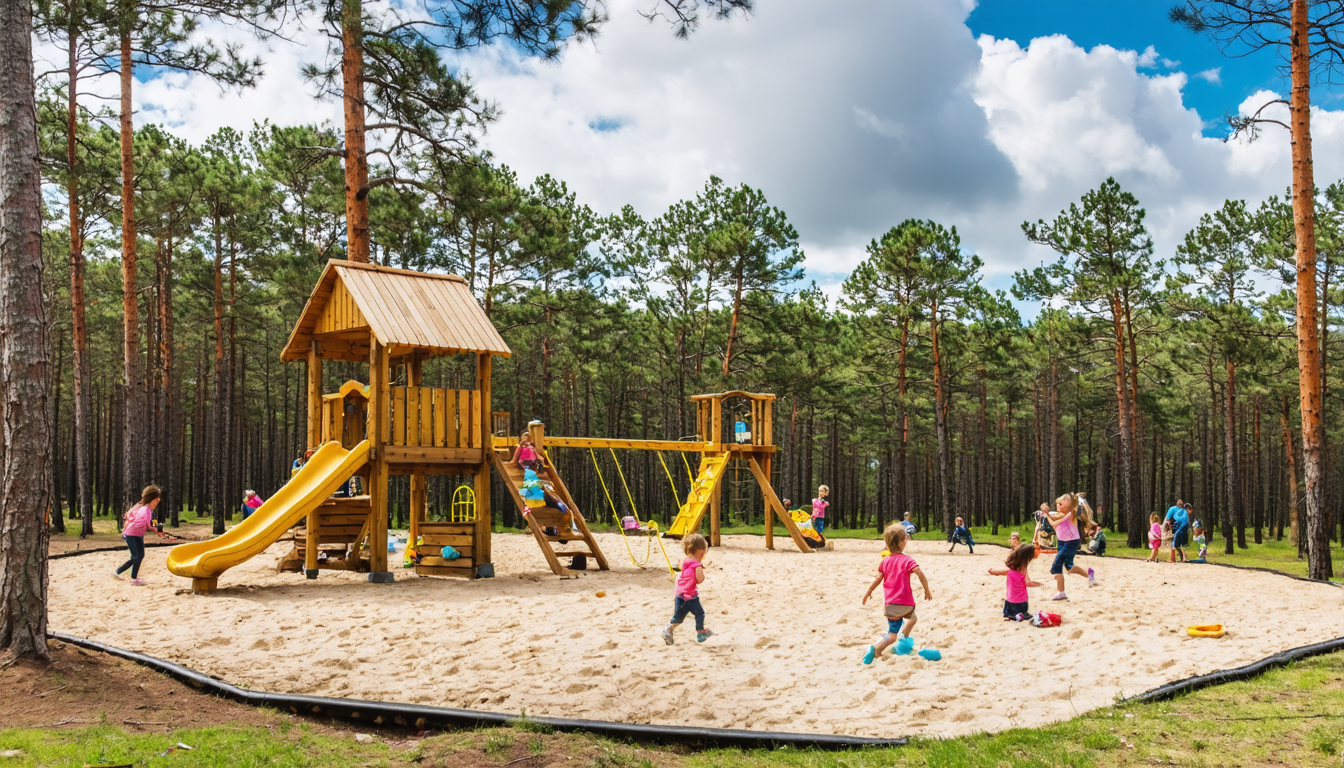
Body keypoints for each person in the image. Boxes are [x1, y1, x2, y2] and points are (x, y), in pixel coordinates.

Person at [862, 524, 931, 664]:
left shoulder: (885, 562)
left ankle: (880, 648)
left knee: (891, 634)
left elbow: (878, 578)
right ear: (902, 543)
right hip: (906, 604)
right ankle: (898, 640)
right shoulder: (907, 560)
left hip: (891, 606)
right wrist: (926, 589)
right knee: (912, 619)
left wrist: (869, 591)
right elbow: (919, 572)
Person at [660, 534, 712, 645]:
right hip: (689, 596)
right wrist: (701, 571)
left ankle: (671, 630)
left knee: (685, 615)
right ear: (699, 550)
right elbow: (700, 579)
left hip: (680, 593)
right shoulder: (697, 564)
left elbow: (680, 567)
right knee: (696, 614)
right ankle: (698, 632)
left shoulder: (684, 560)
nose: (703, 555)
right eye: (702, 552)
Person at [1045, 492, 1097, 600]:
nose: (1062, 502)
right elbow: (1052, 516)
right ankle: (1089, 574)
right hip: (1061, 542)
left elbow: (1054, 524)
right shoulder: (1057, 514)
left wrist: (1046, 515)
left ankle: (1061, 592)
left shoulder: (1071, 513)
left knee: (1057, 566)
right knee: (1069, 567)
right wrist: (1045, 512)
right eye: (1061, 500)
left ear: (1070, 504)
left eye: (1066, 500)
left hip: (1071, 542)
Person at [114, 485, 160, 585]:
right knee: (135, 556)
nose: (157, 502)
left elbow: (147, 523)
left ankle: (134, 578)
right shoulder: (144, 510)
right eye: (156, 500)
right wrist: (155, 529)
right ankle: (118, 571)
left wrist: (154, 527)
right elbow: (146, 523)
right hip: (131, 534)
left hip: (138, 534)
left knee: (140, 555)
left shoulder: (145, 508)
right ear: (152, 499)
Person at [989, 543, 1041, 620]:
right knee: (1023, 610)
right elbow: (1028, 583)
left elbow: (994, 572)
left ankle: (1011, 615)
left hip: (1010, 604)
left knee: (1009, 610)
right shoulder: (1024, 572)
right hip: (1021, 604)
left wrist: (991, 571)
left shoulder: (1008, 571)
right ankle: (1020, 615)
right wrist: (1039, 584)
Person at [1164, 499, 1190, 563]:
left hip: (1178, 527)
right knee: (1178, 544)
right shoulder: (1181, 510)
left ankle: (1175, 559)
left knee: (1175, 543)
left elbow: (1168, 519)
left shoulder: (1174, 509)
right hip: (1181, 527)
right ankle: (1181, 558)